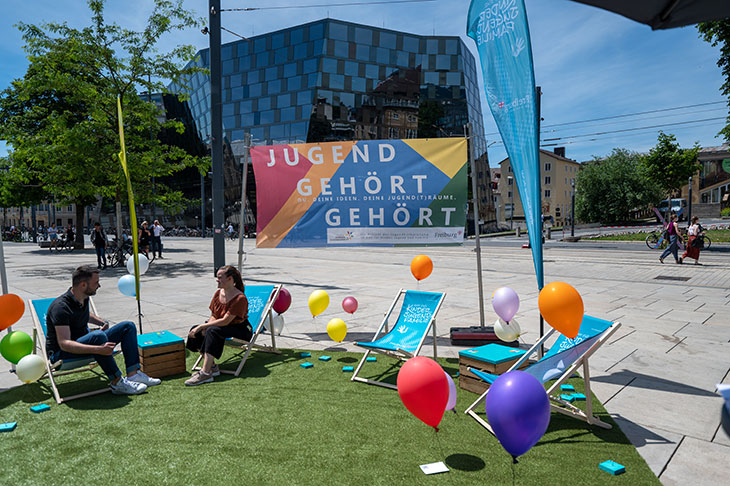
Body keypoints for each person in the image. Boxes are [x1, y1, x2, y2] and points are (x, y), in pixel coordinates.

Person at [45, 265, 160, 395]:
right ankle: (117, 383)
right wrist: (98, 349)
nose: (99, 286)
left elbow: (84, 314)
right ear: (83, 285)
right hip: (61, 354)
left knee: (128, 326)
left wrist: (101, 321)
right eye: (96, 282)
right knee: (98, 336)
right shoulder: (60, 308)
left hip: (86, 344)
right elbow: (64, 344)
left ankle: (133, 374)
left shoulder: (83, 298)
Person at [185, 265, 251, 386]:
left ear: (230, 279)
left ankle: (205, 373)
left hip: (241, 330)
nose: (217, 279)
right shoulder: (218, 293)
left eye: (220, 277)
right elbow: (214, 315)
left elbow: (226, 321)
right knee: (196, 330)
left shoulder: (239, 298)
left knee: (211, 330)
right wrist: (203, 327)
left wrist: (203, 326)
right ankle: (213, 367)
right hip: (222, 327)